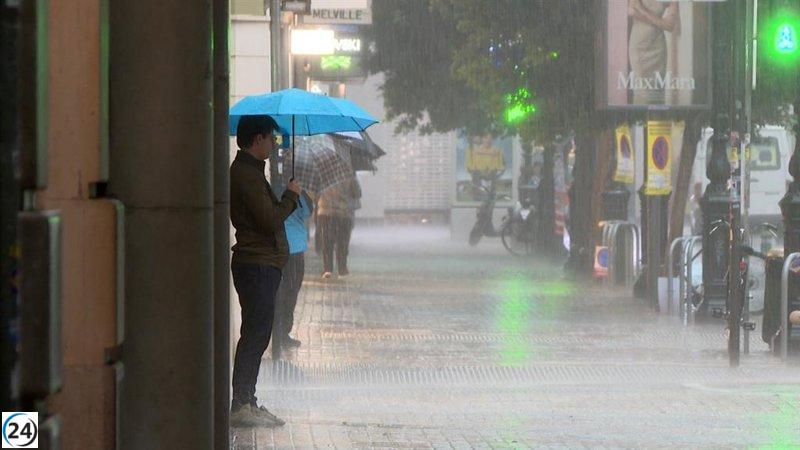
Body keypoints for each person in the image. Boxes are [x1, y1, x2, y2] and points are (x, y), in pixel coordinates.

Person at [229, 114, 300, 427]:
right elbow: (269, 220)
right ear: (257, 139)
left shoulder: (252, 172)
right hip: (256, 264)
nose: (274, 143)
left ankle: (248, 399)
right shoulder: (245, 174)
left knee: (257, 335)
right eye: (271, 138)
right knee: (255, 335)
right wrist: (291, 196)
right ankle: (241, 403)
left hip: (262, 264)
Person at [272, 189, 313, 358]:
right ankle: (282, 332)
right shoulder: (297, 192)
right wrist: (303, 193)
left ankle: (278, 331)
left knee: (279, 291)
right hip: (294, 249)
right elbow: (307, 213)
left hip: (277, 247)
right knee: (291, 291)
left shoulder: (270, 188)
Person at [628, 0, 680, 105]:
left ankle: (658, 120)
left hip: (658, 48)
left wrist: (642, 10)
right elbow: (631, 11)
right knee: (642, 93)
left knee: (657, 93)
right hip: (639, 47)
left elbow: (670, 26)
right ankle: (640, 120)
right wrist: (660, 21)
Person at [317, 179, 358, 279]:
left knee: (327, 242)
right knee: (342, 243)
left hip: (325, 212)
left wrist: (320, 199)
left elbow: (313, 192)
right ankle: (342, 269)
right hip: (343, 213)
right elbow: (357, 193)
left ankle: (328, 269)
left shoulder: (322, 174)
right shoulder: (347, 174)